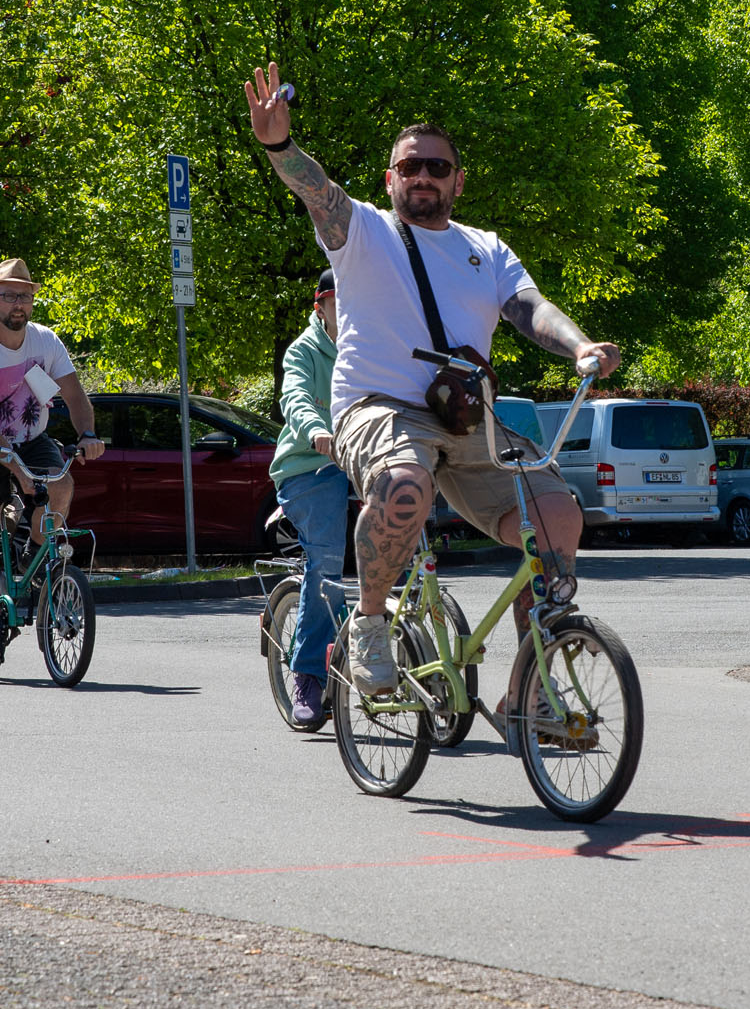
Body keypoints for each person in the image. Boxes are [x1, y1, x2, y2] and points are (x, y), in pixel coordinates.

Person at [244, 62, 619, 700]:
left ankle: (533, 688)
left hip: (469, 419)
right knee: (403, 486)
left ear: (457, 181)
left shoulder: (487, 249)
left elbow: (529, 307)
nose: (423, 176)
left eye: (437, 167)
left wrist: (580, 344)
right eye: (410, 166)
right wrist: (279, 145)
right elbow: (317, 192)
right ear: (391, 179)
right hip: (380, 409)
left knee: (559, 515)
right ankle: (366, 625)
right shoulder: (361, 230)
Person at [0, 257, 105, 667]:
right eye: (9, 296)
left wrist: (87, 434)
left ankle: (32, 562)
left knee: (61, 487)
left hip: (32, 439)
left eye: (24, 296)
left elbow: (74, 396)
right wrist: (18, 472)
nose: (17, 303)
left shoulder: (45, 342)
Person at [269, 268, 353, 724]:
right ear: (320, 306)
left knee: (410, 538)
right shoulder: (304, 350)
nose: (349, 309)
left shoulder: (371, 346)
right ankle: (307, 675)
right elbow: (295, 397)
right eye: (340, 301)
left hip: (361, 460)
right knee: (327, 560)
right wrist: (316, 429)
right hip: (308, 466)